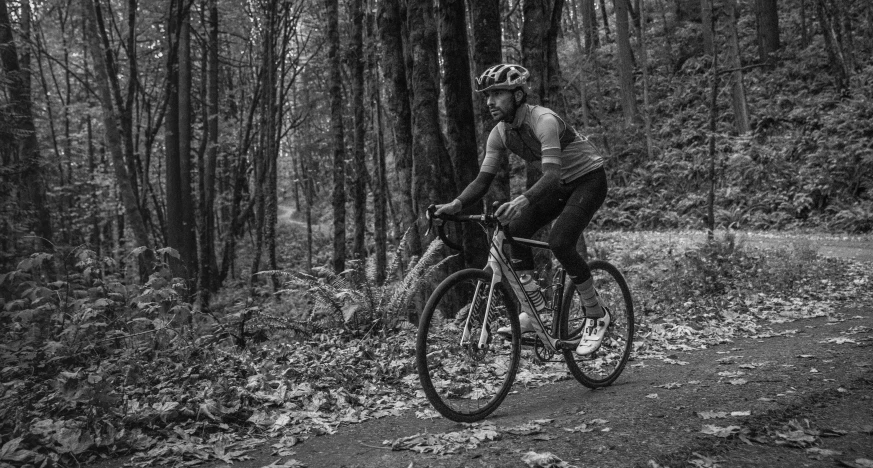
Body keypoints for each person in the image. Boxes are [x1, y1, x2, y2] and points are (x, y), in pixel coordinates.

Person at [434, 63, 609, 355]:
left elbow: (551, 175)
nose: (489, 102)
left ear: (517, 95)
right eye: (487, 95)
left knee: (561, 241)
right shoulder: (500, 133)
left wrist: (523, 200)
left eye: (497, 94)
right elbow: (483, 180)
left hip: (587, 180)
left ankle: (596, 314)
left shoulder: (544, 121)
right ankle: (534, 310)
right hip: (559, 185)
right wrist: (456, 204)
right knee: (513, 230)